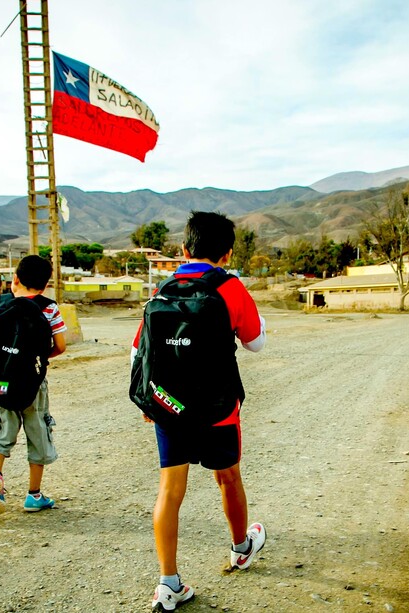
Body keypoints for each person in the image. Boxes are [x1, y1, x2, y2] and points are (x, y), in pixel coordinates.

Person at [131, 211, 268, 611]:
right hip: (218, 410)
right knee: (228, 479)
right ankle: (241, 547)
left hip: (168, 407)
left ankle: (168, 583)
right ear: (227, 253)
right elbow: (255, 343)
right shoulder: (230, 288)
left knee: (170, 492)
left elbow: (139, 350)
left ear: (183, 249)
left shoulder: (164, 289)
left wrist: (149, 400)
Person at [0, 255, 67, 514]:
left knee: (3, 430)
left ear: (15, 279)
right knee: (37, 430)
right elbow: (60, 346)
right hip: (32, 382)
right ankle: (33, 495)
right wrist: (35, 358)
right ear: (46, 285)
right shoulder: (49, 308)